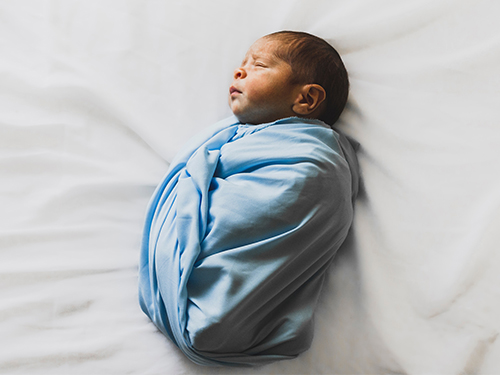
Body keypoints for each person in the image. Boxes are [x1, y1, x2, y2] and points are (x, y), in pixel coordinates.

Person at [138, 31, 359, 367]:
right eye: (241, 65)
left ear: (306, 100)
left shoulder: (314, 162)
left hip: (230, 317)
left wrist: (198, 179)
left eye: (258, 65)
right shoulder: (237, 137)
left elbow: (275, 205)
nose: (239, 72)